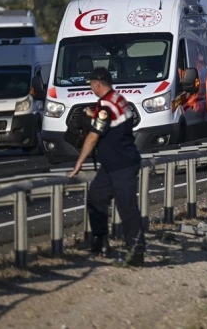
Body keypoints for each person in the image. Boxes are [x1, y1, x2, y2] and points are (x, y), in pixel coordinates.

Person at [68, 67, 145, 266]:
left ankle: (135, 252)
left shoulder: (106, 106)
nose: (91, 88)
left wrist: (79, 162)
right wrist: (90, 113)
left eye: (91, 84)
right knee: (96, 198)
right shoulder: (118, 99)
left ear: (97, 84)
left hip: (121, 164)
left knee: (127, 207)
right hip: (111, 165)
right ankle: (100, 242)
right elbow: (109, 119)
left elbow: (94, 135)